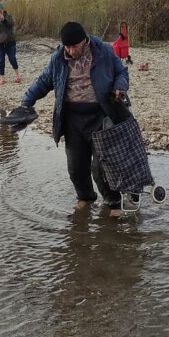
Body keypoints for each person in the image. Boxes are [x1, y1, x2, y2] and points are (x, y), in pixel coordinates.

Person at [20, 21, 135, 217]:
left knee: (102, 167)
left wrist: (120, 86)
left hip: (100, 116)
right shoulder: (58, 58)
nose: (70, 51)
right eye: (67, 46)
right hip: (72, 119)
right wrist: (26, 103)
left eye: (74, 46)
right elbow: (44, 81)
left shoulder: (103, 51)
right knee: (75, 167)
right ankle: (86, 198)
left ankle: (114, 203)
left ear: (85, 41)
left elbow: (121, 71)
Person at [0, 1, 21, 85]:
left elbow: (11, 24)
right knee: (1, 60)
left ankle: (18, 76)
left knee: (12, 58)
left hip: (10, 41)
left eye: (0, 10)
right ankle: (2, 78)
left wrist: (4, 20)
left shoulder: (8, 16)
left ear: (3, 9)